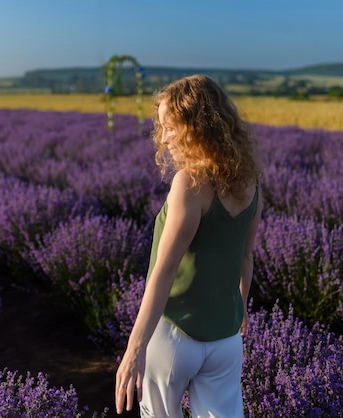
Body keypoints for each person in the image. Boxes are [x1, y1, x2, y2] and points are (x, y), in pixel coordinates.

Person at [115, 74, 263, 417]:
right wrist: (238, 310)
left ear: (196, 126)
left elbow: (165, 271)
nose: (163, 138)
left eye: (170, 127)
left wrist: (134, 349)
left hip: (174, 335)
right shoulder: (252, 183)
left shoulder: (190, 184)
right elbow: (246, 257)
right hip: (226, 339)